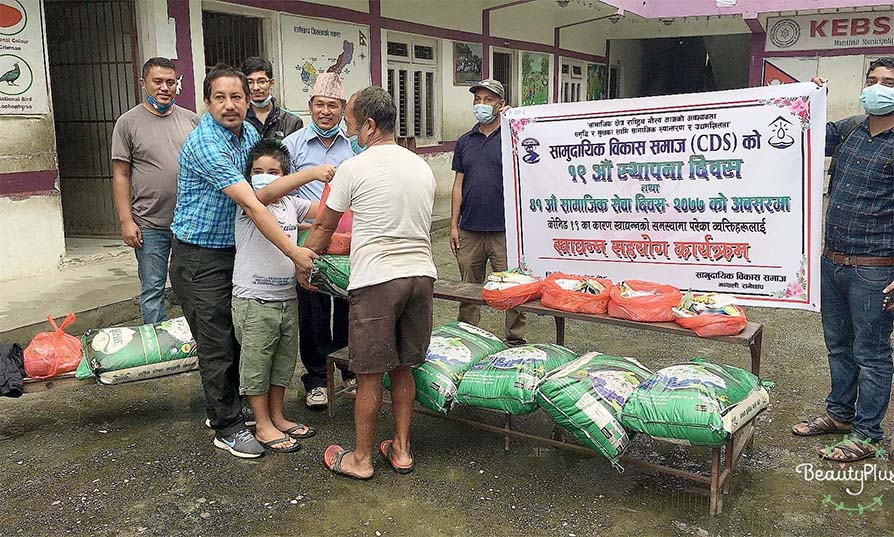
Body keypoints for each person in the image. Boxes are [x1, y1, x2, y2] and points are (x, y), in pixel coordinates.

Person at [169, 63, 318, 459]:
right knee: (216, 343)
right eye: (220, 97)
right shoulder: (205, 143)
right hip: (199, 256)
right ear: (206, 102)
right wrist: (293, 251)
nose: (230, 105)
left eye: (237, 97)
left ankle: (241, 412)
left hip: (234, 253)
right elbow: (254, 203)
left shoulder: (250, 134)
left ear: (248, 100)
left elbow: (276, 195)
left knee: (243, 341)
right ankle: (228, 426)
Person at [300, 86, 437, 479]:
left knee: (369, 374)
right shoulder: (421, 166)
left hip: (378, 280)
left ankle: (360, 459)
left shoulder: (353, 168)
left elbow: (325, 225)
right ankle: (402, 450)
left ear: (370, 126)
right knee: (405, 368)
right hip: (420, 276)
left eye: (351, 124)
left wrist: (306, 264)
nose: (348, 132)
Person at [792, 58, 894, 462]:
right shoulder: (851, 129)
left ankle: (868, 434)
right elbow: (803, 133)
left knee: (871, 353)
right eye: (873, 80)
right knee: (838, 345)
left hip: (876, 269)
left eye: (889, 82)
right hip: (832, 261)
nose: (879, 87)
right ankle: (840, 415)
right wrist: (808, 96)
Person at [232, 139, 334, 453]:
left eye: (273, 171)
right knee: (257, 365)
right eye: (258, 171)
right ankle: (261, 424)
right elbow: (267, 193)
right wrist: (313, 173)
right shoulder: (249, 202)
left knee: (281, 364)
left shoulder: (292, 204)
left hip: (286, 298)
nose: (265, 177)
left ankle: (277, 416)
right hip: (254, 300)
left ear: (284, 174)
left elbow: (329, 209)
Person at [282, 73, 355, 410]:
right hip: (307, 237)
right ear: (310, 107)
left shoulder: (353, 146)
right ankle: (315, 379)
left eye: (334, 106)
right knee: (311, 312)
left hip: (346, 241)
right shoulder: (292, 145)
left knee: (346, 306)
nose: (326, 111)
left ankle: (347, 373)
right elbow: (282, 193)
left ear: (343, 109)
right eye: (320, 105)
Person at [111, 57, 198, 324]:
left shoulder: (192, 121)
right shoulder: (127, 123)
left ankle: (195, 343)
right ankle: (157, 348)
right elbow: (121, 174)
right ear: (143, 84)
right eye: (157, 82)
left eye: (170, 82)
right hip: (149, 224)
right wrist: (127, 221)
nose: (164, 88)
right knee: (152, 290)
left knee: (192, 289)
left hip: (189, 224)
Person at [449, 78, 526, 346]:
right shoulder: (465, 142)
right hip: (470, 229)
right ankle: (468, 337)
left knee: (512, 289)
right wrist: (453, 225)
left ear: (501, 105)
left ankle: (515, 338)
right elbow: (458, 185)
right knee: (469, 289)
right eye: (477, 100)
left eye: (488, 100)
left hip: (505, 230)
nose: (481, 105)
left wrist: (516, 119)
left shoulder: (514, 138)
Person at [240, 57, 303, 142]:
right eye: (250, 82)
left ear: (271, 83)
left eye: (261, 81)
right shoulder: (239, 119)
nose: (256, 88)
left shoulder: (292, 122)